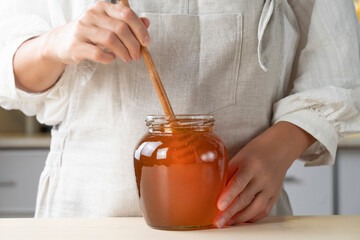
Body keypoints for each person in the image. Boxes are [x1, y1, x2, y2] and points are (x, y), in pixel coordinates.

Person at [0, 0, 359, 228]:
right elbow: (8, 64)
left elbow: (337, 69)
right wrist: (53, 45)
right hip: (89, 213)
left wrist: (281, 147)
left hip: (236, 217)